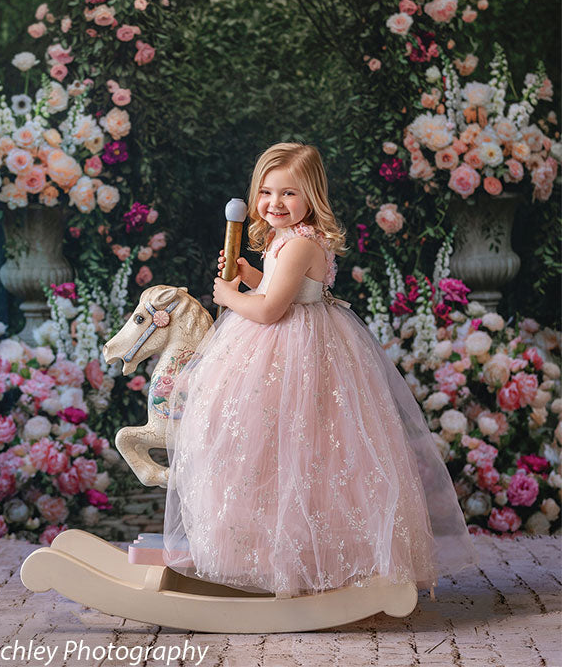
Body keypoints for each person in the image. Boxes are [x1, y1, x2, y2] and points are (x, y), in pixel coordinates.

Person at [162, 142, 480, 600]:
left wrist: (228, 296)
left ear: (311, 196)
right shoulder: (284, 239)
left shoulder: (301, 244)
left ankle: (312, 563)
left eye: (289, 193)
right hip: (285, 343)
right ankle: (273, 557)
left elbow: (270, 310)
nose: (274, 203)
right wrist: (250, 277)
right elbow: (281, 289)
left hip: (295, 347)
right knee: (271, 448)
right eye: (266, 192)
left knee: (305, 449)